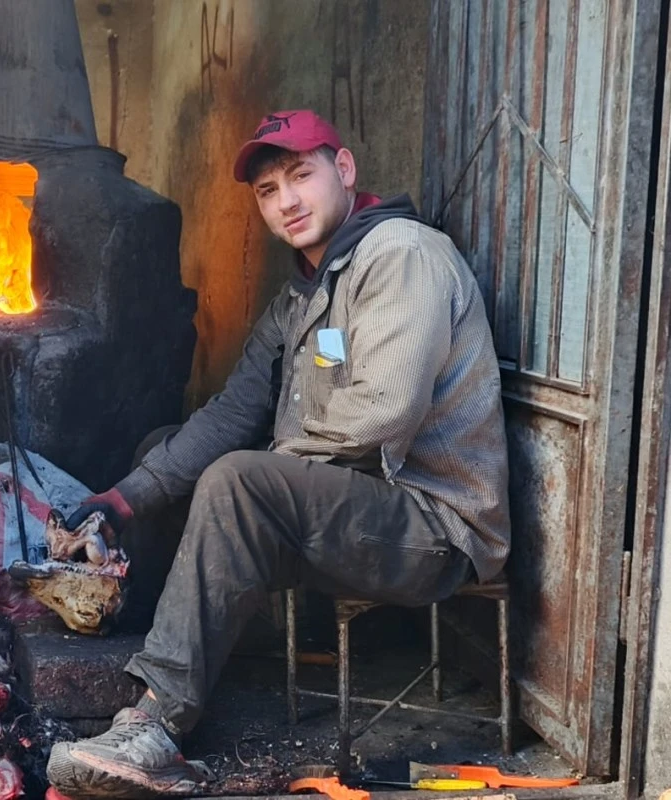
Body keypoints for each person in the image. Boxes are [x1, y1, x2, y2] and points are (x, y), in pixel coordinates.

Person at [46, 110, 511, 797]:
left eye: (301, 175)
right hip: (349, 506)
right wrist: (123, 498)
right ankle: (140, 668)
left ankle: (158, 724)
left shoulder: (400, 254)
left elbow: (385, 411)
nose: (286, 201)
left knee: (237, 481)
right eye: (267, 191)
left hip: (430, 527)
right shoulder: (302, 294)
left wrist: (257, 469)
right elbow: (234, 410)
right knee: (171, 457)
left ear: (344, 170)